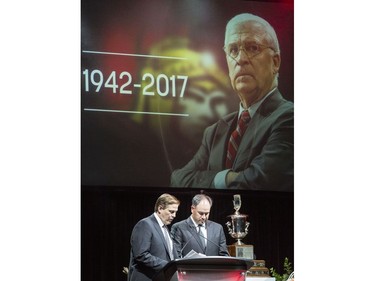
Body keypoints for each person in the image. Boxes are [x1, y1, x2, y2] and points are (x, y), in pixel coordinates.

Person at [170, 13, 294, 191]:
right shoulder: (214, 132)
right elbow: (178, 179)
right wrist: (226, 178)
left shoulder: (290, 118)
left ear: (275, 62)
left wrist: (210, 181)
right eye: (233, 50)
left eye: (252, 48)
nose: (241, 59)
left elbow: (258, 181)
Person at [128, 193, 180, 281]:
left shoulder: (165, 228)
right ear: (160, 208)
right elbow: (141, 255)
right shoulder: (145, 224)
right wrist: (167, 266)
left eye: (175, 212)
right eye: (171, 212)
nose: (174, 215)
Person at [170, 193, 229, 258]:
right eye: (201, 213)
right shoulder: (179, 227)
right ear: (192, 209)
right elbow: (176, 256)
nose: (204, 217)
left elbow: (224, 255)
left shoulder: (217, 228)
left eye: (206, 213)